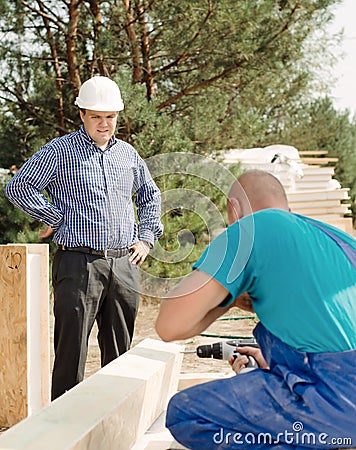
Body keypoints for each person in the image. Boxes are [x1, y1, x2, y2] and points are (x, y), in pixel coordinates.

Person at [155, 170, 356, 449]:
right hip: (341, 398)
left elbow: (169, 326)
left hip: (334, 403)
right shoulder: (339, 240)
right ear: (289, 209)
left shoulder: (250, 229)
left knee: (186, 413)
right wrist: (278, 366)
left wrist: (230, 296)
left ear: (233, 210)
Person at [6, 76, 163, 400]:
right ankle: (64, 435)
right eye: (96, 116)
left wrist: (145, 238)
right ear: (82, 114)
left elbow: (150, 196)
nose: (104, 124)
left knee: (120, 355)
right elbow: (19, 186)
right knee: (71, 355)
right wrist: (55, 217)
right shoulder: (60, 151)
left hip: (124, 265)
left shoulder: (128, 155)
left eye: (110, 117)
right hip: (78, 265)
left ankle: (116, 428)